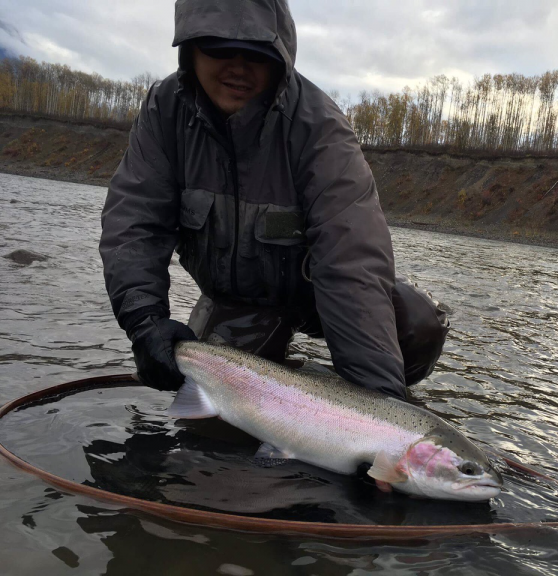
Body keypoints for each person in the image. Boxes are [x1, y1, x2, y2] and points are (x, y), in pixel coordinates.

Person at [99, 0, 449, 400]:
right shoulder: (165, 110)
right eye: (218, 48)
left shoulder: (320, 128)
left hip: (315, 295)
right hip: (235, 298)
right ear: (190, 49)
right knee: (219, 434)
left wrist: (379, 406)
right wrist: (145, 321)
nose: (238, 68)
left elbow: (350, 261)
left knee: (417, 323)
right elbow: (135, 223)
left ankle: (352, 397)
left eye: (256, 54)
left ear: (280, 56)